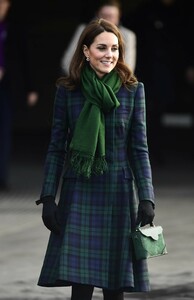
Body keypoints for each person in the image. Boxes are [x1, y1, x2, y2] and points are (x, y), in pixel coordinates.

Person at [36, 18, 155, 300]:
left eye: (114, 49)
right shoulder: (68, 92)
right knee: (81, 287)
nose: (109, 55)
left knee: (115, 288)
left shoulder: (133, 91)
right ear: (86, 51)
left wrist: (148, 197)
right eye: (102, 48)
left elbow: (139, 148)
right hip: (80, 192)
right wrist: (48, 196)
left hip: (118, 192)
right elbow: (56, 147)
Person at [123, 0, 184, 164]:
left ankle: (156, 150)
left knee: (159, 110)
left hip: (165, 70)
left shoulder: (178, 13)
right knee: (143, 110)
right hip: (144, 69)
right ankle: (142, 150)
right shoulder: (145, 11)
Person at [0, 0, 38, 190]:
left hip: (7, 87)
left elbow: (26, 58)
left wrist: (31, 88)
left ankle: (2, 177)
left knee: (4, 131)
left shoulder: (14, 28)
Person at [60, 0, 137, 75]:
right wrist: (85, 81)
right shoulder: (84, 30)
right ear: (97, 15)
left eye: (111, 16)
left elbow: (127, 68)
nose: (107, 21)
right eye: (104, 16)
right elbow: (67, 62)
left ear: (118, 17)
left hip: (114, 85)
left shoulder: (128, 36)